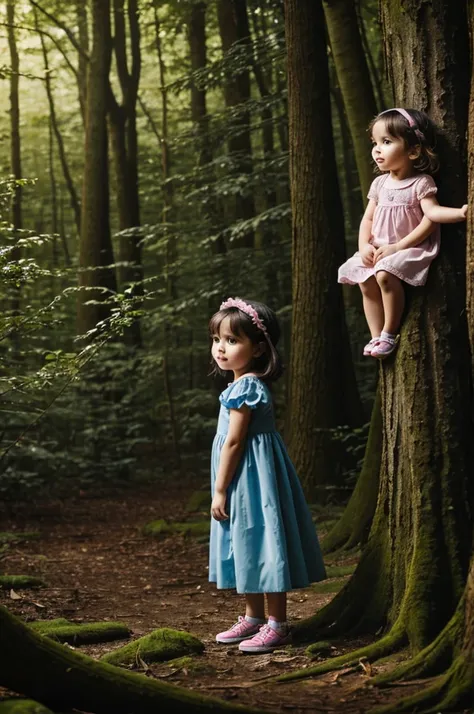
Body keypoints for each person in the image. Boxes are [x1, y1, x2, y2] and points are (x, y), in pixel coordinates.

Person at [208, 297, 326, 654]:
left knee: (263, 541)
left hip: (252, 477)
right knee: (246, 542)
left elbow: (234, 442)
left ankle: (277, 623)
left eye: (232, 341)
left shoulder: (247, 387)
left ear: (259, 348)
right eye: (217, 340)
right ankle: (253, 617)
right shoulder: (238, 384)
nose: (221, 348)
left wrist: (218, 489)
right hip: (245, 476)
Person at [338, 108, 467, 359]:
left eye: (386, 142)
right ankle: (375, 336)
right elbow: (368, 218)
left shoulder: (421, 183)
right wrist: (364, 245)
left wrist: (462, 213)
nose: (377, 149)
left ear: (413, 151)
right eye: (375, 143)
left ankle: (388, 332)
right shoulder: (380, 184)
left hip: (409, 247)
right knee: (365, 281)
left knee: (384, 275)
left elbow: (433, 215)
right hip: (379, 246)